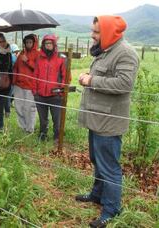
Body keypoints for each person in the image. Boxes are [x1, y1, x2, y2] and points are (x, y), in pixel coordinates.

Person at [76, 16, 139, 228]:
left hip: (109, 122)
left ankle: (111, 209)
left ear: (109, 32)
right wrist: (89, 76)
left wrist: (91, 80)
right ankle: (97, 195)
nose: (91, 35)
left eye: (95, 32)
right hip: (97, 118)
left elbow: (124, 84)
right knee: (97, 159)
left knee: (109, 166)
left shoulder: (125, 53)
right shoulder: (105, 50)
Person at [32, 34, 66, 142]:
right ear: (43, 45)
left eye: (50, 43)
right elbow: (35, 75)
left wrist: (61, 90)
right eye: (46, 43)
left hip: (55, 95)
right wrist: (35, 91)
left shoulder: (61, 58)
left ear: (54, 44)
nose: (48, 45)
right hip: (40, 94)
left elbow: (66, 76)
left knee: (57, 118)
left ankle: (57, 137)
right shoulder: (39, 58)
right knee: (43, 119)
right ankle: (42, 136)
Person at [12, 34, 39, 134]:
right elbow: (15, 68)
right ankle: (22, 127)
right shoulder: (21, 54)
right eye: (26, 42)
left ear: (34, 43)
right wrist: (13, 81)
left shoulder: (38, 54)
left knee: (29, 108)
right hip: (19, 85)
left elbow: (38, 69)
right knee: (18, 107)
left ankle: (30, 128)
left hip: (30, 85)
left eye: (30, 42)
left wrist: (27, 61)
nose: (28, 44)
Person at [0, 33, 13, 131]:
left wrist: (11, 82)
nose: (2, 43)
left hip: (5, 85)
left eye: (3, 41)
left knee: (0, 108)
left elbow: (10, 69)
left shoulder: (8, 53)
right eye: (0, 41)